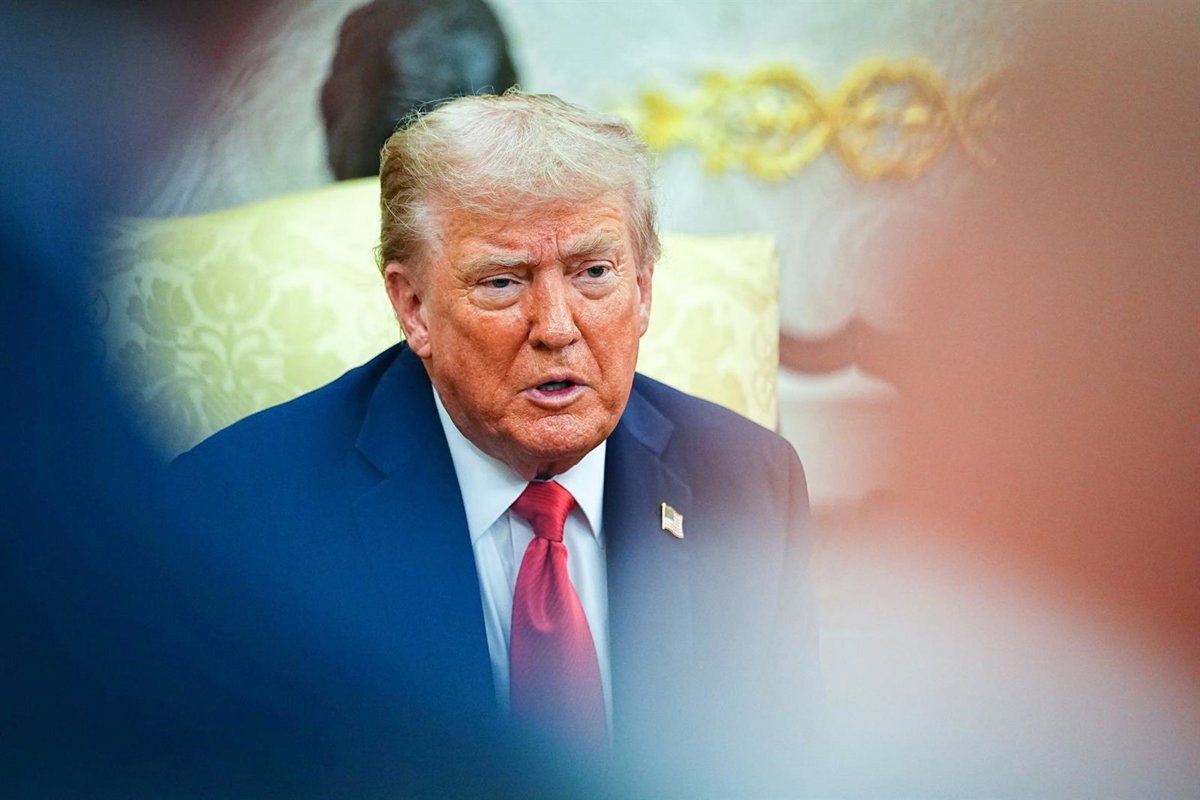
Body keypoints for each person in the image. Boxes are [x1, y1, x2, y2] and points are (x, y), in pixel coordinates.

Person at [169, 91, 817, 794]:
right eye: (503, 282)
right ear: (413, 308)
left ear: (644, 290)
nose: (557, 328)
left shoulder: (749, 482)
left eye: (594, 272)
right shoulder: (242, 514)